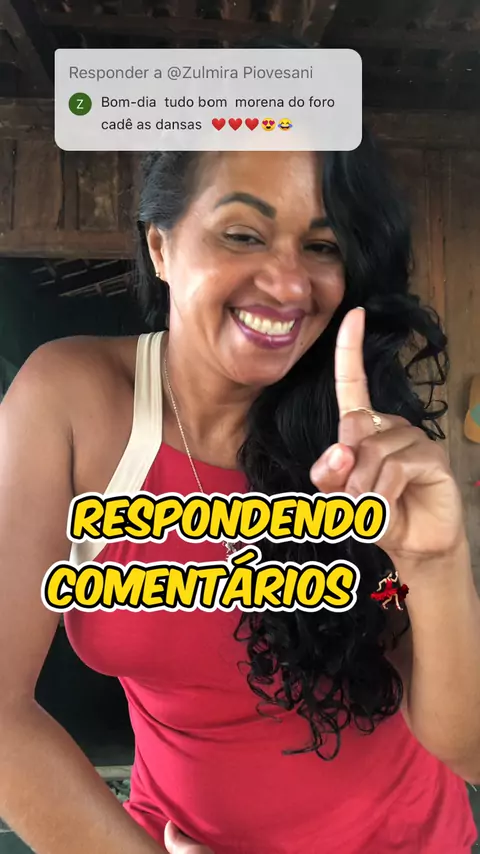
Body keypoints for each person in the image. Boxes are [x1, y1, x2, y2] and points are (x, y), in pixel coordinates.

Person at [0, 137, 479, 854]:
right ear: (160, 246)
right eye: (243, 234)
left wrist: (434, 568)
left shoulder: (362, 441)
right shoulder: (71, 401)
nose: (288, 283)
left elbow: (467, 749)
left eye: (322, 246)